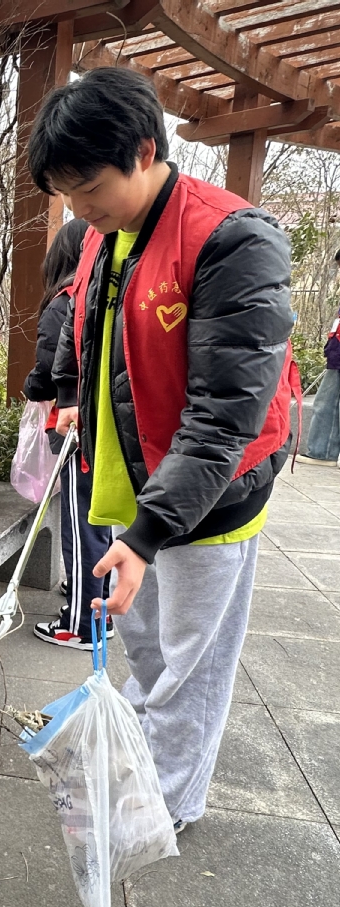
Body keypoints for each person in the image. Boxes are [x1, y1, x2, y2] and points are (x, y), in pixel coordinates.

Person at [28, 67, 299, 833]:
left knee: (190, 666)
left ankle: (167, 807)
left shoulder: (232, 238)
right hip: (127, 481)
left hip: (208, 495)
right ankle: (141, 769)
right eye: (66, 194)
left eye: (88, 187)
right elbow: (86, 329)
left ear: (144, 150)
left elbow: (225, 414)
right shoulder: (101, 234)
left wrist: (148, 533)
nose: (78, 209)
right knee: (145, 652)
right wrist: (70, 394)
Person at [23, 217, 114, 649]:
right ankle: (93, 597)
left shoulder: (66, 302)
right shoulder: (106, 295)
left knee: (80, 525)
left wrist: (31, 387)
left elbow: (45, 375)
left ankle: (82, 623)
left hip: (76, 430)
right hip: (105, 427)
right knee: (99, 521)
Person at [296, 251, 340, 467]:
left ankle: (322, 451)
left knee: (326, 404)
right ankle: (323, 450)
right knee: (327, 403)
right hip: (336, 357)